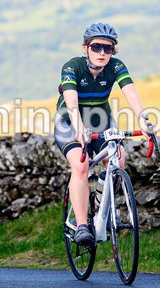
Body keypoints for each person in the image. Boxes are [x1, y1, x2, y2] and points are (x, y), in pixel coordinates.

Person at [54, 23, 151, 247]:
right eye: (96, 47)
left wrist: (143, 120)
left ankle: (100, 208)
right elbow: (71, 103)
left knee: (118, 160)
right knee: (81, 166)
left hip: (101, 121)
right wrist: (79, 129)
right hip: (69, 122)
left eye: (108, 49)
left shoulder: (116, 67)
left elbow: (131, 94)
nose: (102, 53)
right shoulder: (72, 66)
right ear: (86, 47)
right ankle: (81, 226)